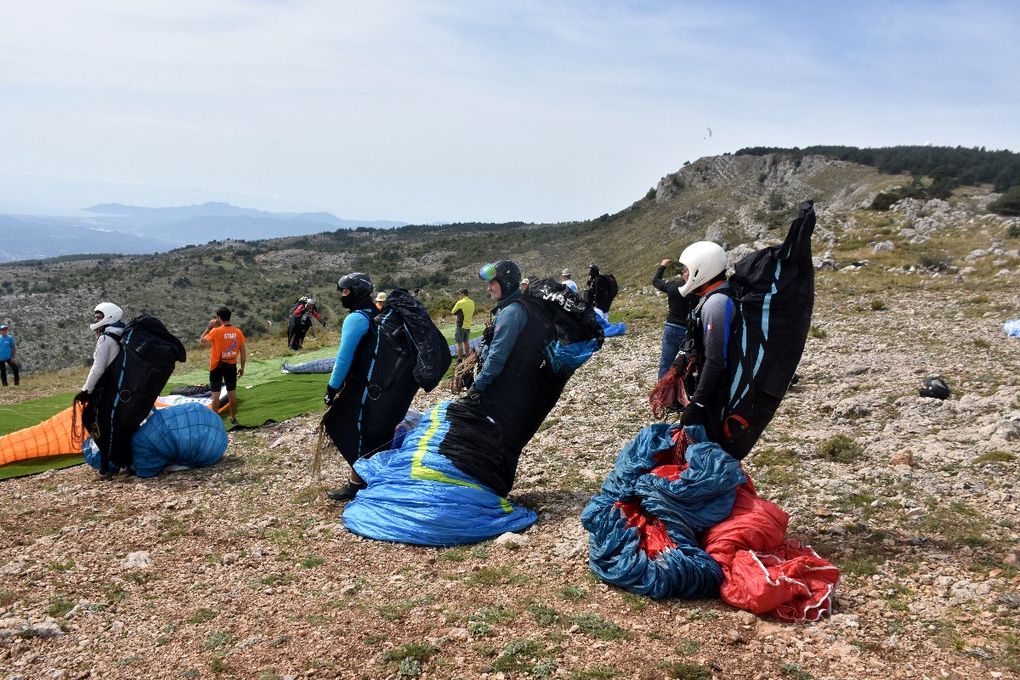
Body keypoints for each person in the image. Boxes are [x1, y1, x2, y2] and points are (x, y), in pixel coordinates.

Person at [673, 241, 734, 439]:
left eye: (687, 270)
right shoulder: (709, 297)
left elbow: (715, 361)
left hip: (718, 394)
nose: (684, 275)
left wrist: (698, 403)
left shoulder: (716, 303)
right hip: (711, 389)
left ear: (703, 270)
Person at [201, 307, 247, 426]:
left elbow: (202, 340)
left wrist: (210, 326)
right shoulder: (238, 332)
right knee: (231, 393)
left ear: (219, 318)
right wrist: (242, 367)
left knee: (215, 395)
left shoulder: (215, 331)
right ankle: (233, 418)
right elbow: (243, 352)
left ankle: (215, 421)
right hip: (231, 366)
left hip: (216, 366)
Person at [652, 258, 695, 380]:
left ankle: (661, 393)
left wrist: (662, 266)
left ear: (682, 274)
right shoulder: (696, 291)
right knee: (687, 364)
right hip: (687, 331)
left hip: (671, 327)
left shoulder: (672, 285)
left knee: (665, 363)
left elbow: (655, 281)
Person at [75, 303, 125, 403]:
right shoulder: (123, 332)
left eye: (99, 318)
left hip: (111, 388)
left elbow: (97, 369)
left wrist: (86, 391)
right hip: (124, 384)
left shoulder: (105, 338)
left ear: (109, 317)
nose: (96, 321)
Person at [450, 288, 475, 362]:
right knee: (466, 342)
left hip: (460, 325)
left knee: (459, 343)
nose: (458, 295)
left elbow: (453, 311)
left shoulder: (460, 302)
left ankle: (459, 359)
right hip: (468, 325)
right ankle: (467, 357)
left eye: (459, 294)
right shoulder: (472, 302)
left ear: (463, 294)